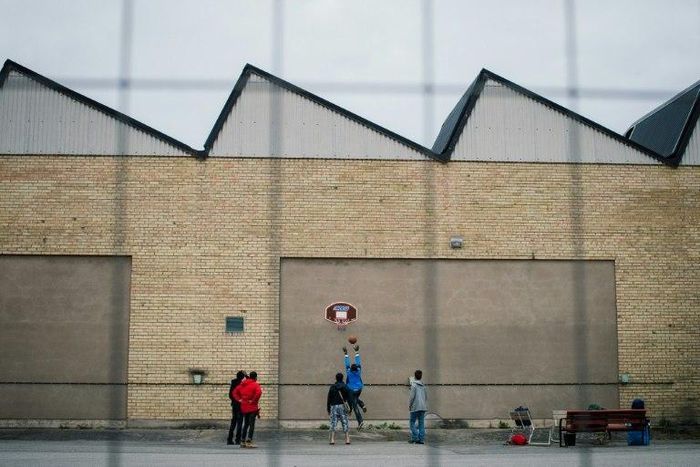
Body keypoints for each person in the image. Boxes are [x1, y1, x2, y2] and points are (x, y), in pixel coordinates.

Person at [232, 370, 263, 448]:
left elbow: (234, 392)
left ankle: (242, 440)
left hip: (244, 406)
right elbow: (259, 393)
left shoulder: (243, 384)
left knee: (246, 424)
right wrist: (253, 401)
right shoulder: (255, 384)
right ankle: (249, 440)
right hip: (252, 407)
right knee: (251, 424)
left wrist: (239, 399)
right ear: (256, 377)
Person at [342, 344, 366, 428]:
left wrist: (346, 354)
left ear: (351, 369)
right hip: (359, 389)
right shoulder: (359, 370)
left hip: (351, 390)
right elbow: (358, 362)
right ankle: (362, 404)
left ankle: (360, 421)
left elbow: (347, 363)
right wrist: (356, 352)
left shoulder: (349, 371)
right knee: (354, 398)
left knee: (354, 404)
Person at [327, 372, 352, 445]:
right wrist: (350, 409)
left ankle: (332, 440)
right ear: (342, 378)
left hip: (334, 406)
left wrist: (328, 409)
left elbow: (329, 399)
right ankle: (347, 439)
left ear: (336, 378)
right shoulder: (345, 386)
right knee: (345, 422)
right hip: (342, 406)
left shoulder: (332, 387)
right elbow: (349, 398)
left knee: (333, 422)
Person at [226, 370, 246, 445]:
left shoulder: (233, 382)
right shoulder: (242, 383)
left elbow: (230, 395)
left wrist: (234, 401)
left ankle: (229, 439)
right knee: (240, 422)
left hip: (234, 405)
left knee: (233, 422)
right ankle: (238, 439)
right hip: (241, 405)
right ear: (242, 377)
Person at [408, 369, 427, 444]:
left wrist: (410, 405)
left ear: (415, 376)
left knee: (412, 422)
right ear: (421, 376)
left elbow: (412, 397)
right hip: (423, 407)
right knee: (421, 423)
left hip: (415, 407)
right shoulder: (424, 386)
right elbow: (426, 397)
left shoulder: (414, 385)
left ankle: (415, 437)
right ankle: (421, 439)